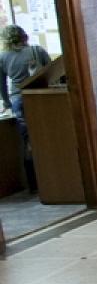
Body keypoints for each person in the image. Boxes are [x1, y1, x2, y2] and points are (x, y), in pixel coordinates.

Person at [0, 25, 51, 193]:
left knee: (28, 141)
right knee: (47, 137)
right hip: (39, 97)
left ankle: (34, 184)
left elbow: (1, 86)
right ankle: (52, 178)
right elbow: (52, 72)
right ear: (24, 36)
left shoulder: (2, 57)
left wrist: (7, 103)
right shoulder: (37, 51)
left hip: (18, 99)